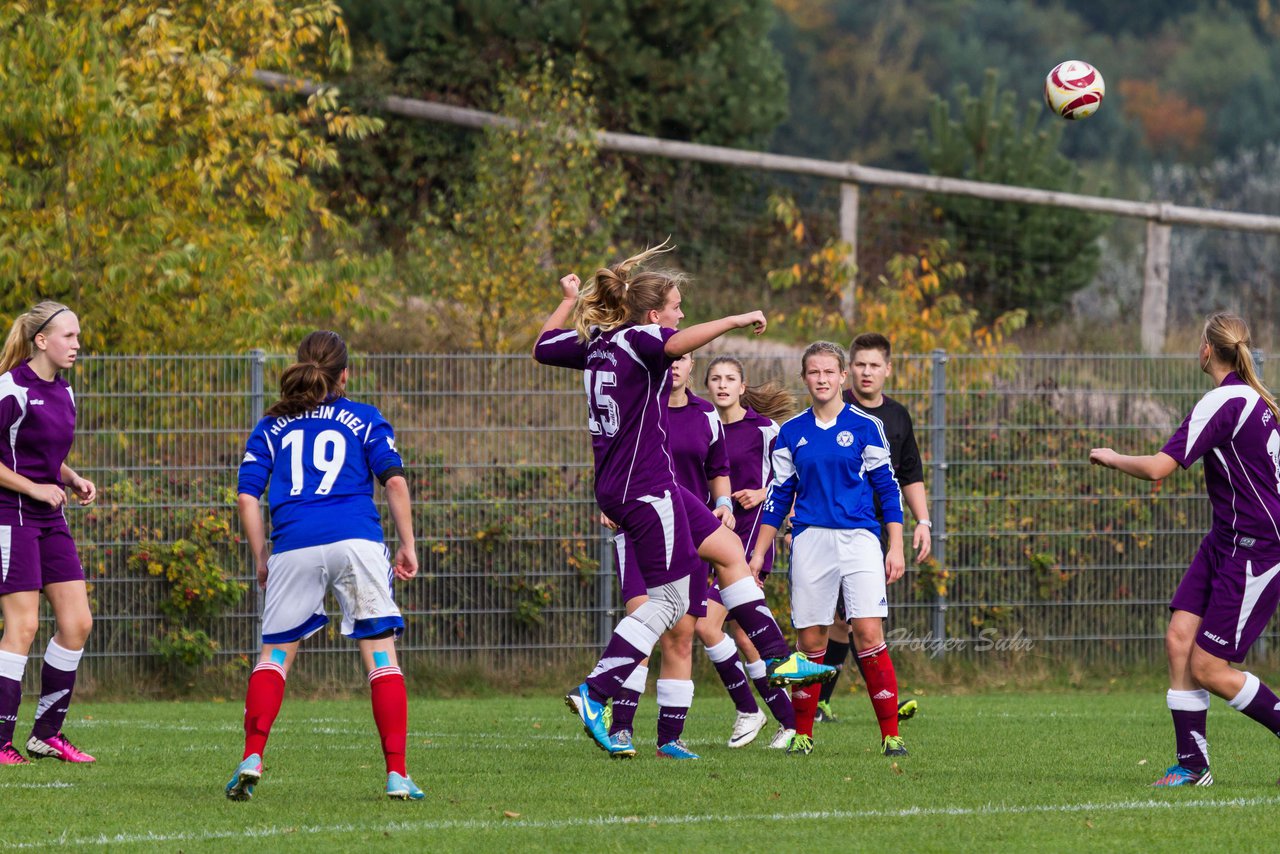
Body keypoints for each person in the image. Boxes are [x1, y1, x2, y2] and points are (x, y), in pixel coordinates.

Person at [533, 246, 835, 759]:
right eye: (675, 306)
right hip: (644, 488)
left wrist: (566, 302)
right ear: (655, 315)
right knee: (671, 604)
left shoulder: (600, 343)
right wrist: (739, 317)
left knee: (728, 550)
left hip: (643, 484)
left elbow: (542, 346)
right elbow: (683, 340)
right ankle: (596, 691)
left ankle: (779, 657)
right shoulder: (639, 338)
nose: (680, 315)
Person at [227, 330, 424, 801]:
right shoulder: (363, 418)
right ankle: (396, 774)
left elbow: (246, 496)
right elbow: (394, 483)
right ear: (345, 375)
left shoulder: (271, 425)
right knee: (380, 657)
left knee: (275, 657)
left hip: (293, 544)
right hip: (356, 541)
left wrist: (261, 555)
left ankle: (252, 755)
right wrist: (408, 544)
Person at [1090, 312, 1280, 788]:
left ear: (1206, 350)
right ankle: (1192, 766)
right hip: (1225, 539)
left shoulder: (1223, 402)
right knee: (1179, 639)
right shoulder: (1255, 401)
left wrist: (1112, 457)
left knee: (1209, 667)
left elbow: (1159, 468)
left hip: (1257, 550)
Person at [750, 341, 907, 756]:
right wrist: (757, 554)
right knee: (811, 639)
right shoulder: (792, 432)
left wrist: (896, 544)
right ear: (805, 378)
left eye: (828, 372)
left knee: (869, 632)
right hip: (810, 541)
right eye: (813, 373)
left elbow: (888, 490)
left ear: (842, 377)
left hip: (859, 540)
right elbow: (778, 497)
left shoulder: (865, 427)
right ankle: (803, 735)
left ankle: (891, 736)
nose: (821, 379)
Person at [0, 301, 97, 766]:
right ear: (41, 340)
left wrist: (71, 478)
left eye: (78, 337)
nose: (77, 344)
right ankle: (0, 741)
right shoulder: (10, 389)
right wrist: (36, 487)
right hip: (10, 514)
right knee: (23, 626)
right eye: (68, 336)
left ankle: (45, 735)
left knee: (78, 623)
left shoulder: (66, 393)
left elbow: (37, 452)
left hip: (48, 516)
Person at [817, 333, 930, 724]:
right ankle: (878, 701)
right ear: (849, 370)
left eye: (874, 365)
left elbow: (909, 472)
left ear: (887, 369)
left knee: (853, 620)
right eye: (860, 365)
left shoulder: (898, 416)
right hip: (829, 527)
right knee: (844, 621)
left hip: (876, 530)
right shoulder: (832, 408)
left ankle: (826, 699)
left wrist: (923, 522)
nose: (867, 373)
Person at [704, 355, 800, 749]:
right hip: (711, 538)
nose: (723, 385)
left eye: (730, 379)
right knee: (745, 637)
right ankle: (791, 722)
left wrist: (763, 492)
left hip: (750, 539)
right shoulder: (705, 426)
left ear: (743, 387)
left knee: (707, 626)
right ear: (707, 386)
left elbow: (793, 475)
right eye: (715, 378)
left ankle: (749, 709)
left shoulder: (765, 430)